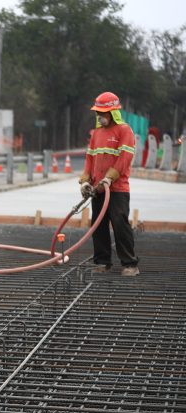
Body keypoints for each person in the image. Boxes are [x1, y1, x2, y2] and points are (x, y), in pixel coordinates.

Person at [79, 91, 139, 276]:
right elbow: (90, 158)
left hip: (117, 189)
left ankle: (130, 264)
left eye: (102, 113)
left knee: (120, 223)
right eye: (97, 112)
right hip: (98, 188)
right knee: (98, 225)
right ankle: (102, 262)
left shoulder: (124, 130)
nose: (99, 116)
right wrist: (85, 180)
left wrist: (110, 177)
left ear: (113, 112)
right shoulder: (96, 133)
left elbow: (125, 158)